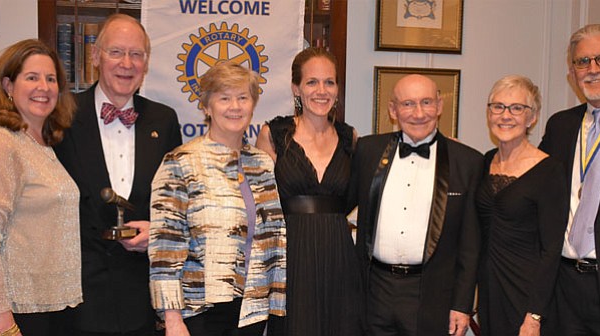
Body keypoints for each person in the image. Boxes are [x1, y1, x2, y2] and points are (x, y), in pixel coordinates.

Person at [53, 14, 182, 335]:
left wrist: (158, 230)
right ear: (95, 56)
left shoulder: (164, 120)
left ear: (147, 62)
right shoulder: (63, 115)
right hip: (78, 294)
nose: (127, 63)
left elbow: (178, 203)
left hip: (143, 292)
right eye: (116, 52)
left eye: (136, 54)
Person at [148, 61, 287, 336]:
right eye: (224, 98)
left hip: (253, 310)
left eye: (243, 97)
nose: (234, 106)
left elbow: (273, 243)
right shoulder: (180, 162)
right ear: (206, 106)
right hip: (200, 313)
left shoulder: (263, 164)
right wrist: (172, 319)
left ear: (253, 104)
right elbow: (165, 249)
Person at [347, 74, 483, 336]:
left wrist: (462, 305)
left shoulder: (467, 163)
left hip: (432, 295)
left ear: (440, 106)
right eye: (408, 104)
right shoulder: (367, 150)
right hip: (374, 291)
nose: (418, 113)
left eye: (426, 102)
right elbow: (338, 202)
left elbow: (470, 246)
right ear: (393, 110)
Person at [0, 39, 80, 336]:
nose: (43, 87)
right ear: (8, 85)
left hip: (50, 309)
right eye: (32, 77)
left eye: (51, 78)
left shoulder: (42, 143)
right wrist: (5, 326)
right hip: (13, 315)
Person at [255, 47, 364, 336]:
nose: (322, 90)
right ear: (296, 88)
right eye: (312, 82)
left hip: (339, 255)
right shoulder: (273, 134)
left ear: (338, 88)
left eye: (329, 82)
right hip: (289, 256)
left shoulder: (349, 137)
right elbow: (258, 204)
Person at [539, 23, 600, 336]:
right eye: (583, 62)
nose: (593, 69)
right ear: (572, 74)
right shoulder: (561, 126)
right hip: (562, 289)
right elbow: (531, 182)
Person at [475, 75, 568, 336]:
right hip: (490, 291)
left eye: (517, 108)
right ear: (489, 113)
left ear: (532, 117)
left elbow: (552, 249)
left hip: (528, 296)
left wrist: (534, 315)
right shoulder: (484, 163)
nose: (506, 115)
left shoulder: (550, 170)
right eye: (498, 107)